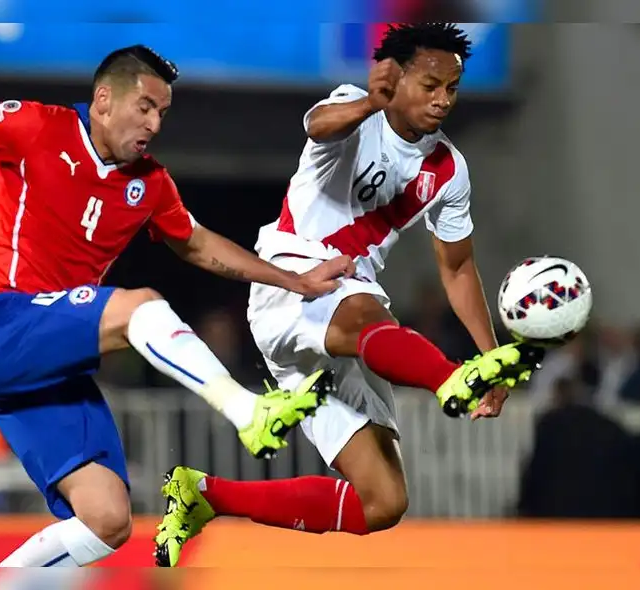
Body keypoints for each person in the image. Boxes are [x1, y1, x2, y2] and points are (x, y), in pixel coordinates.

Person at [0, 45, 353, 568]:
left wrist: (297, 281)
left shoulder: (150, 183)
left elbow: (198, 245)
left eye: (163, 114)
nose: (153, 123)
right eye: (145, 106)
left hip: (51, 365)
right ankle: (246, 411)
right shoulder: (34, 126)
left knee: (107, 520)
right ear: (104, 100)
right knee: (139, 307)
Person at [155, 24, 544, 566]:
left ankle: (204, 495)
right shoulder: (353, 112)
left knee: (383, 502)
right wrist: (369, 103)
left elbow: (456, 268)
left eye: (451, 88)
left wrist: (488, 359)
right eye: (430, 84)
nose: (442, 100)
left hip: (343, 313)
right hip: (292, 277)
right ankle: (445, 378)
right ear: (396, 76)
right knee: (364, 311)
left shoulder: (449, 169)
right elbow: (317, 123)